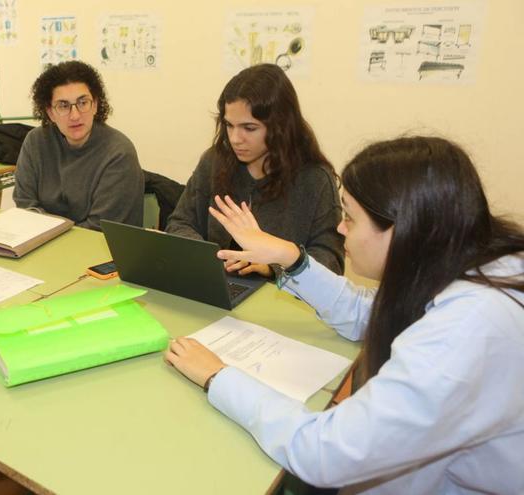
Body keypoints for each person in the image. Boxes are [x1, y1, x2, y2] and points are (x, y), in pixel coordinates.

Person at [165, 136, 524, 494]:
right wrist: (291, 257)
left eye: (350, 218)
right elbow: (365, 312)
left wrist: (219, 376)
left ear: (403, 229)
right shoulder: (470, 267)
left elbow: (324, 452)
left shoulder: (464, 330)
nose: (340, 229)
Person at [166, 64, 344, 276]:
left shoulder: (315, 179)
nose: (235, 139)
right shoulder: (214, 161)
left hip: (280, 291)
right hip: (217, 280)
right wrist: (211, 258)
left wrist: (273, 268)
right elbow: (180, 223)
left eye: (249, 128)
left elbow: (331, 260)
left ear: (280, 126)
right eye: (229, 125)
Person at [13, 60, 144, 230]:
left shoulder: (119, 153)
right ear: (51, 113)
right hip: (45, 240)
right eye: (63, 106)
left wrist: (50, 234)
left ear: (95, 105)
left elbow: (99, 228)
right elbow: (25, 204)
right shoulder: (36, 142)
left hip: (99, 243)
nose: (75, 115)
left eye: (83, 103)